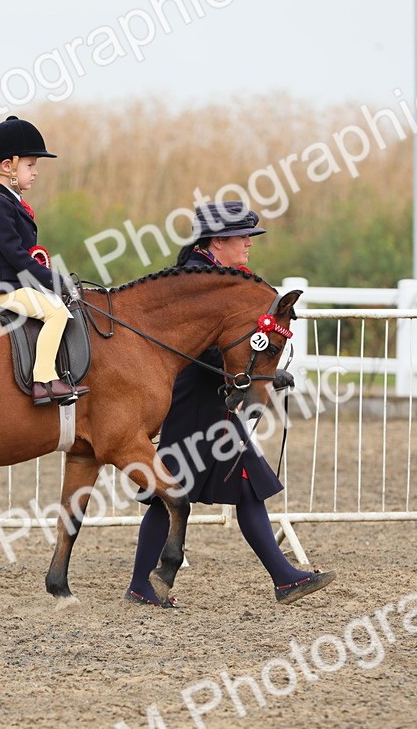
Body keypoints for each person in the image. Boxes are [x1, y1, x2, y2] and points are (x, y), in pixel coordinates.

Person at [125, 201, 334, 607]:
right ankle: (283, 578)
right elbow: (198, 345)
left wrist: (267, 372)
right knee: (210, 485)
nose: (248, 245)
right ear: (217, 241)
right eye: (242, 238)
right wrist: (258, 375)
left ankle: (142, 584)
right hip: (194, 395)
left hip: (208, 396)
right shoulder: (196, 280)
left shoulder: (219, 277)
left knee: (182, 487)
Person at [0, 116, 89, 406]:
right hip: (0, 287)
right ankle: (44, 380)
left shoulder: (7, 200)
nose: (35, 172)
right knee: (56, 312)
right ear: (8, 166)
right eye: (30, 165)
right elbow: (17, 256)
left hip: (12, 283)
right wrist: (54, 280)